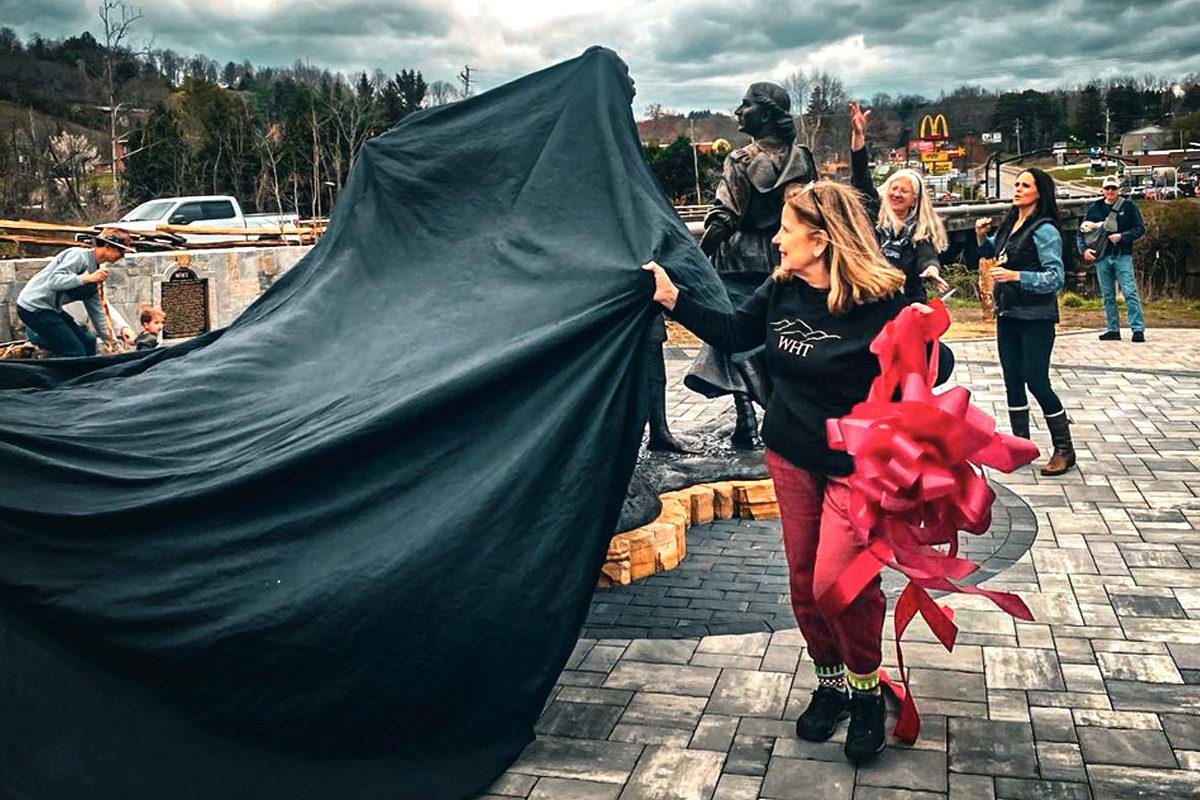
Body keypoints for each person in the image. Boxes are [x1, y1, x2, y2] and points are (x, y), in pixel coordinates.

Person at [645, 180, 914, 764]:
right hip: (791, 450)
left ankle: (867, 690)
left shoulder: (884, 297)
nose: (776, 237)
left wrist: (921, 350)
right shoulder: (782, 287)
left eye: (787, 228)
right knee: (801, 580)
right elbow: (736, 334)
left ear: (819, 240)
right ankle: (831, 685)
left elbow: (928, 365)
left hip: (853, 463)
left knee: (838, 581)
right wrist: (672, 298)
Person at [687, 81, 817, 448]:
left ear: (767, 114)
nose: (737, 111)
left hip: (739, 261)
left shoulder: (740, 160)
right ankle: (779, 409)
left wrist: (697, 257)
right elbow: (820, 211)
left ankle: (746, 412)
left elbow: (724, 217)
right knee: (788, 335)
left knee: (731, 334)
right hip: (789, 258)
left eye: (745, 105)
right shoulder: (803, 158)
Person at [975, 168, 1075, 475]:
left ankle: (1064, 449)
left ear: (1039, 192)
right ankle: (1021, 446)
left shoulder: (1045, 229)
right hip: (1008, 314)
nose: (1017, 189)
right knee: (1012, 381)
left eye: (1025, 185)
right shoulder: (1011, 224)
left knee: (1036, 380)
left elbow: (1055, 278)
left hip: (1035, 317)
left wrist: (1016, 277)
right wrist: (982, 237)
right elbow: (999, 253)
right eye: (1016, 184)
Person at [848, 103, 950, 302]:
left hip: (907, 301)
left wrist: (931, 269)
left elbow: (926, 255)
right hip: (873, 299)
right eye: (893, 188)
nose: (896, 194)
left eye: (904, 191)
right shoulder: (875, 213)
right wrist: (858, 136)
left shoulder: (918, 229)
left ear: (914, 200)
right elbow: (861, 178)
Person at [16, 229, 136, 356]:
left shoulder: (95, 272)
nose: (121, 256)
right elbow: (53, 281)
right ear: (107, 246)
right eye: (120, 251)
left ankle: (90, 374)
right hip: (33, 309)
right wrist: (85, 279)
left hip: (51, 310)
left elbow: (98, 312)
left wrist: (114, 346)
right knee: (75, 351)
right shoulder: (78, 256)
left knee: (89, 342)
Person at [1079, 174, 1146, 342]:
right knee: (1107, 295)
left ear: (1118, 190)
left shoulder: (1129, 207)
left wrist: (1122, 236)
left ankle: (1137, 329)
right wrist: (1084, 251)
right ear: (1102, 190)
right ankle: (1112, 329)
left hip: (1122, 255)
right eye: (1107, 188)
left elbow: (1140, 228)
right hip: (1102, 256)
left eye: (1113, 188)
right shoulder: (1094, 208)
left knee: (1130, 292)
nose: (1110, 191)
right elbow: (1081, 233)